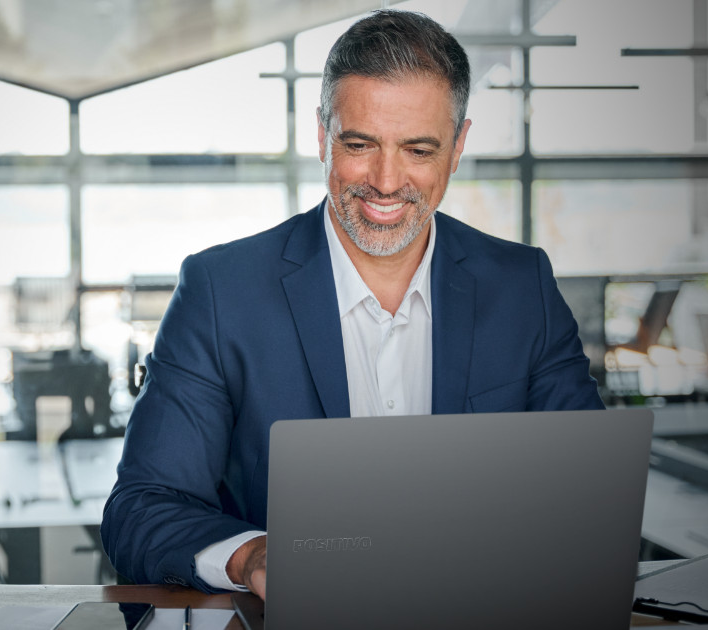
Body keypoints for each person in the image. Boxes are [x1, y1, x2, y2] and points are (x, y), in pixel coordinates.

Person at [100, 9, 604, 599]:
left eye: (419, 150)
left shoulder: (523, 288)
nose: (386, 182)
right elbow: (141, 508)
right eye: (360, 144)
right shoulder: (221, 291)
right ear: (322, 135)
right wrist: (250, 555)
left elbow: (586, 495)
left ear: (459, 144)